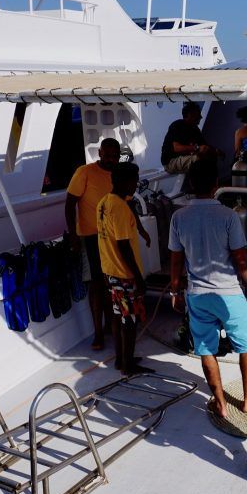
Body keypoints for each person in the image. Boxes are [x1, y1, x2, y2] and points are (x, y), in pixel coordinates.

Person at [168, 159, 247, 418]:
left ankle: (220, 402)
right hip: (230, 293)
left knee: (206, 349)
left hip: (197, 295)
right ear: (216, 184)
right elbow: (241, 260)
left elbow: (176, 260)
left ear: (190, 183)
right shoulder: (228, 216)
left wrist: (175, 291)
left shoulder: (178, 217)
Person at [66, 138, 119, 350]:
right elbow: (70, 204)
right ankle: (98, 333)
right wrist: (73, 236)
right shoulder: (84, 172)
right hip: (90, 237)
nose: (111, 160)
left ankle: (110, 327)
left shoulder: (119, 173)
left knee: (111, 285)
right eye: (107, 155)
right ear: (100, 153)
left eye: (115, 156)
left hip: (113, 238)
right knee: (96, 286)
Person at [97, 162, 148, 376]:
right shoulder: (118, 207)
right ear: (123, 182)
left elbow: (129, 210)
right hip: (124, 274)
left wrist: (143, 230)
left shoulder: (105, 201)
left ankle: (121, 359)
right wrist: (138, 277)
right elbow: (124, 245)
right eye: (134, 180)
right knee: (129, 321)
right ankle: (128, 366)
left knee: (119, 317)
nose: (136, 184)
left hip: (109, 270)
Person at [161, 101, 217, 174]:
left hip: (184, 158)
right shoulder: (177, 125)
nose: (201, 117)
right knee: (199, 161)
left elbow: (204, 145)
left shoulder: (195, 129)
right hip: (170, 162)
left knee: (210, 157)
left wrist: (215, 151)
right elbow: (177, 148)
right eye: (198, 114)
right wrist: (197, 148)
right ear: (190, 114)